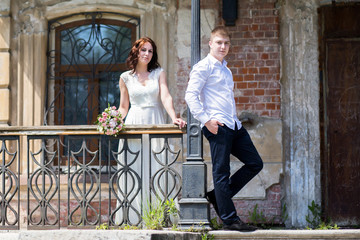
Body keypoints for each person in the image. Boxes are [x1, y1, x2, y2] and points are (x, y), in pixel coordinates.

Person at [185, 26, 263, 231]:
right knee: (221, 172)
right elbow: (190, 96)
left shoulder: (226, 70)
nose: (223, 46)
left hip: (233, 124)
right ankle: (230, 219)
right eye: (219, 42)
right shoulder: (203, 67)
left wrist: (235, 121)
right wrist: (206, 120)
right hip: (217, 125)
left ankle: (216, 196)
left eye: (226, 43)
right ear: (210, 43)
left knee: (255, 163)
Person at [115, 37, 186, 225]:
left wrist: (173, 117)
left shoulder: (158, 73)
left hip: (155, 121)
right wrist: (113, 122)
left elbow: (165, 96)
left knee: (158, 167)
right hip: (133, 123)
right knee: (134, 168)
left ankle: (160, 217)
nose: (146, 54)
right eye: (143, 50)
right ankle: (132, 218)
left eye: (150, 51)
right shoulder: (125, 77)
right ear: (136, 52)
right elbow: (123, 107)